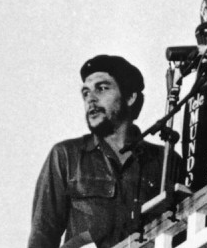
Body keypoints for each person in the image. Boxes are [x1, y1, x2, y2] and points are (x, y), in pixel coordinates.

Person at [28, 55, 165, 248]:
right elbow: (43, 235)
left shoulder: (165, 160)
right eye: (85, 93)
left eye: (102, 88)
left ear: (130, 97)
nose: (90, 99)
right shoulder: (66, 156)